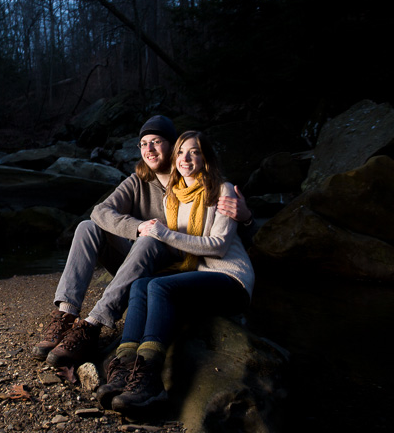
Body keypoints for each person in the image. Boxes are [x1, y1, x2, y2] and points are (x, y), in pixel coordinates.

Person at [32, 118, 254, 368]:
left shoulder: (194, 179)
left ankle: (93, 325)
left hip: (175, 267)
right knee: (87, 227)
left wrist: (246, 218)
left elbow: (223, 235)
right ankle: (66, 314)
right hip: (136, 261)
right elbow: (99, 211)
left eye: (157, 142)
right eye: (143, 144)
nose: (149, 150)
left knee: (149, 242)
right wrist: (137, 227)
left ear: (173, 146)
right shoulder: (137, 181)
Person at [96, 130, 255, 416]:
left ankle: (151, 381)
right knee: (141, 285)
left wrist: (165, 234)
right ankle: (124, 370)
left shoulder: (222, 190)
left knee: (160, 287)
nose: (185, 158)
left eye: (194, 151)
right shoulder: (175, 196)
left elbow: (218, 247)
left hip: (230, 279)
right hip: (195, 275)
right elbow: (173, 245)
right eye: (181, 151)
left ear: (206, 158)